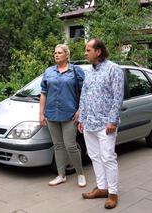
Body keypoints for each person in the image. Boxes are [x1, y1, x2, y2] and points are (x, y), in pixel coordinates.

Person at [78, 39, 124, 209]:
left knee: (108, 158)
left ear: (98, 51)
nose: (85, 52)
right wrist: (82, 118)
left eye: (88, 49)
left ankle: (113, 193)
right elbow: (84, 96)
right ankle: (102, 188)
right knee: (95, 157)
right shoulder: (89, 72)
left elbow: (118, 96)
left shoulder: (114, 69)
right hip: (89, 123)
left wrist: (112, 120)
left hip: (106, 124)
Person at [40, 44, 86, 187]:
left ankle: (80, 174)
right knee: (58, 146)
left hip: (70, 114)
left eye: (59, 53)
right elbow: (43, 93)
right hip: (52, 114)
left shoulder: (76, 71)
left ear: (67, 55)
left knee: (70, 145)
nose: (56, 55)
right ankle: (61, 175)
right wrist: (41, 113)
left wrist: (81, 110)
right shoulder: (49, 72)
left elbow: (85, 92)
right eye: (55, 53)